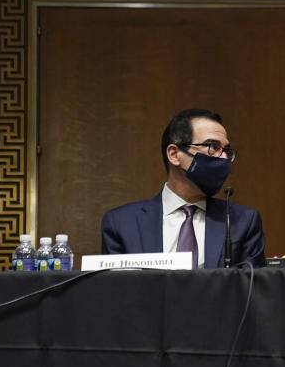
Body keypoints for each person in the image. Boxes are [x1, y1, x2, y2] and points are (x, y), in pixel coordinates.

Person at [101, 108, 266, 268]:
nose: (223, 158)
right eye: (213, 147)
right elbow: (116, 291)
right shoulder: (121, 223)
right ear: (174, 154)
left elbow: (250, 290)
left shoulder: (242, 221)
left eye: (227, 151)